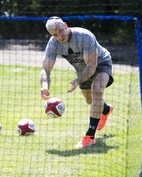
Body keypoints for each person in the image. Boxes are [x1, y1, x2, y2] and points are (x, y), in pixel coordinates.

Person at [39, 16, 114, 148]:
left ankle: (90, 137)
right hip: (82, 69)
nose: (59, 36)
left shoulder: (84, 36)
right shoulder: (53, 43)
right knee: (90, 101)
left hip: (101, 63)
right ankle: (106, 109)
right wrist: (45, 87)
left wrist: (77, 81)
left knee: (96, 90)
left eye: (61, 31)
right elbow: (46, 68)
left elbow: (92, 66)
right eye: (55, 34)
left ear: (66, 25)